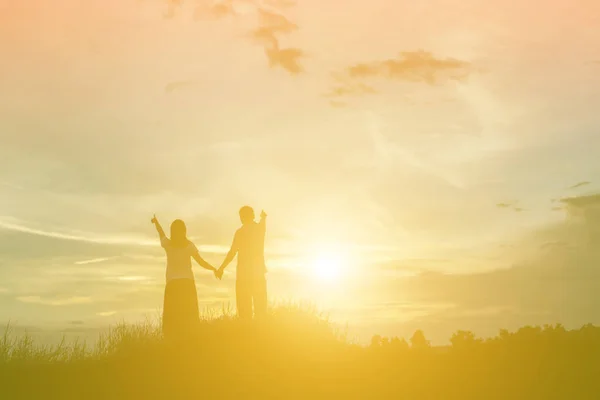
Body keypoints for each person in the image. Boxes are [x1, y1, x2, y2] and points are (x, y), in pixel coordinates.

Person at [151, 214, 218, 341]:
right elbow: (201, 262)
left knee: (173, 315)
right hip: (187, 284)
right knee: (189, 314)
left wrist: (156, 222)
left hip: (172, 284)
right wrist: (214, 269)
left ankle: (172, 340)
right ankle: (190, 339)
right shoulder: (189, 246)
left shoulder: (168, 244)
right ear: (184, 231)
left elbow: (161, 233)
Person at [216, 207, 267, 319]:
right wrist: (263, 217)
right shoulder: (259, 228)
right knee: (261, 307)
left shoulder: (240, 232)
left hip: (243, 274)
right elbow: (263, 221)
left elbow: (232, 252)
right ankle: (263, 332)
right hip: (258, 272)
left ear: (242, 217)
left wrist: (221, 268)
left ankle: (246, 332)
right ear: (252, 215)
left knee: (244, 310)